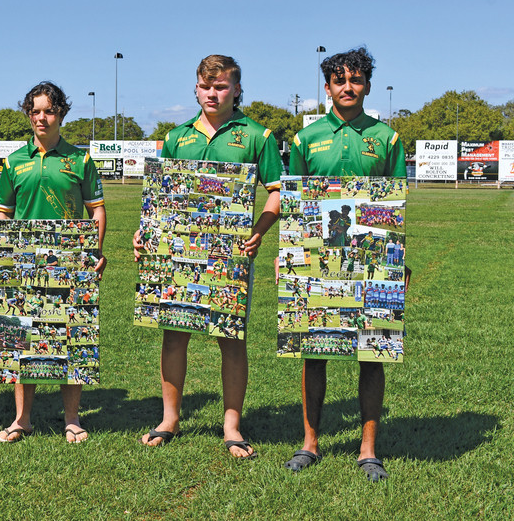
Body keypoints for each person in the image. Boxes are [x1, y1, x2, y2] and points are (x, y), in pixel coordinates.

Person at [133, 55, 281, 458]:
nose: (212, 93)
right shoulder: (177, 136)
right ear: (195, 88)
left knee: (230, 338)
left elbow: (277, 191)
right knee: (174, 331)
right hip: (177, 254)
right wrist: (144, 230)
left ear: (236, 88)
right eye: (205, 86)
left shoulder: (257, 135)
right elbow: (160, 194)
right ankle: (170, 418)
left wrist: (258, 230)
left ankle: (231, 425)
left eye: (220, 86)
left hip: (229, 254)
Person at [282, 47, 405, 482]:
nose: (347, 87)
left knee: (372, 352)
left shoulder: (388, 138)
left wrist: (397, 259)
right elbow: (295, 204)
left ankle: (367, 449)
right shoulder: (305, 139)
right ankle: (309, 443)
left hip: (372, 260)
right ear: (328, 86)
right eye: (339, 80)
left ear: (367, 85)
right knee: (314, 352)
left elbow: (396, 204)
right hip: (317, 257)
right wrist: (291, 259)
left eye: (355, 79)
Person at [0, 82, 107, 444]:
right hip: (23, 266)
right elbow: (2, 214)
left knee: (71, 339)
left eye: (50, 110)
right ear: (28, 114)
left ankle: (72, 419)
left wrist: (94, 252)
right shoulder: (14, 162)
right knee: (21, 338)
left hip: (71, 265)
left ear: (61, 114)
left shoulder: (81, 159)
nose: (42, 117)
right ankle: (21, 420)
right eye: (36, 111)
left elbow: (97, 210)